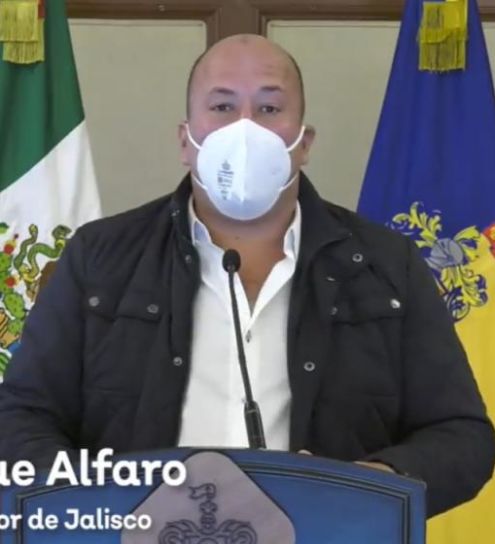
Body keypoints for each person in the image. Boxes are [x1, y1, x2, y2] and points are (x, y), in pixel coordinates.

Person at [0, 34, 493, 518]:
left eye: (269, 108)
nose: (244, 129)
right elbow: (20, 416)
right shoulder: (100, 257)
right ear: (185, 142)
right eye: (222, 107)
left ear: (304, 143)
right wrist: (102, 501)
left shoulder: (388, 265)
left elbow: (462, 436)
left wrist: (371, 487)